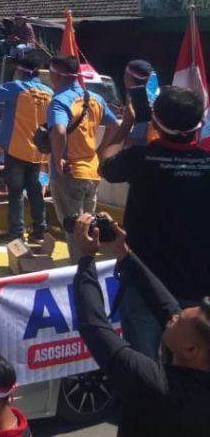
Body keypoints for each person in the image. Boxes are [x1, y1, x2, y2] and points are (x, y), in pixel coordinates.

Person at [71, 213, 210, 436]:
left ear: (191, 350)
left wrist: (86, 259)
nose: (174, 316)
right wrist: (123, 253)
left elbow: (94, 326)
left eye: (180, 319)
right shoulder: (198, 361)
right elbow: (166, 305)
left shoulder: (158, 386)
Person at [98, 86, 210, 358]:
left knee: (146, 370)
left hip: (144, 285)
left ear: (156, 121)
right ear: (200, 124)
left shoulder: (140, 159)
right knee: (192, 368)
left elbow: (105, 161)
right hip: (198, 289)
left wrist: (126, 124)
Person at [0, 51, 52, 241]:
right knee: (35, 190)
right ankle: (40, 229)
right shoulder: (49, 92)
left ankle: (16, 233)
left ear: (21, 71)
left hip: (17, 150)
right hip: (38, 151)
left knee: (16, 192)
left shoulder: (16, 87)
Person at [46, 54, 118, 259]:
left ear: (55, 74)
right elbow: (114, 126)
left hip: (69, 173)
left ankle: (79, 272)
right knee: (89, 225)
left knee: (74, 227)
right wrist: (99, 151)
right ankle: (89, 266)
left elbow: (59, 131)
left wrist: (59, 160)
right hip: (91, 171)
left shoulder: (59, 101)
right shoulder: (95, 99)